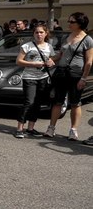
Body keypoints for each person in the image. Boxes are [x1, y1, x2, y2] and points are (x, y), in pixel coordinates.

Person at [44, 12, 92, 141]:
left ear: (80, 24)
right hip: (61, 72)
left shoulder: (87, 39)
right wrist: (51, 60)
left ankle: (73, 130)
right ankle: (51, 128)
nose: (69, 24)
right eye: (69, 21)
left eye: (72, 22)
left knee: (75, 103)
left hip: (76, 74)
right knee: (57, 101)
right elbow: (60, 55)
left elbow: (89, 61)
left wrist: (83, 78)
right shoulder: (67, 36)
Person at [13, 23, 55, 138]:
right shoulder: (27, 46)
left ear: (46, 34)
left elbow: (52, 58)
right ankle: (19, 128)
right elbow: (18, 61)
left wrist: (51, 62)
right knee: (29, 102)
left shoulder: (49, 47)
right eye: (36, 32)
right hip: (29, 77)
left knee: (37, 103)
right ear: (33, 34)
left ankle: (31, 128)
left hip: (43, 77)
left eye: (41, 32)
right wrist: (33, 64)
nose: (39, 34)